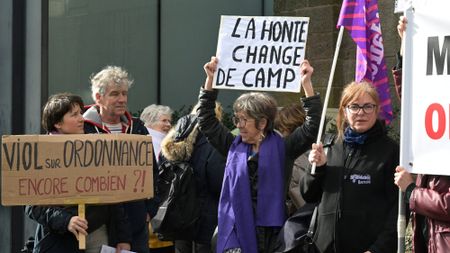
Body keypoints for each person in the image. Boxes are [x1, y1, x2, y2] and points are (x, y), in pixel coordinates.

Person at [197, 56, 321, 253]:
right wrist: (210, 80)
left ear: (262, 123)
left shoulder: (284, 148)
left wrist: (306, 84)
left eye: (244, 120)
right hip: (236, 235)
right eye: (237, 119)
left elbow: (312, 125)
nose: (238, 126)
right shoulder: (232, 146)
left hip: (272, 236)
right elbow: (206, 121)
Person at [25, 93, 131, 253]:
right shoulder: (41, 154)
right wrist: (66, 220)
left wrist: (123, 238)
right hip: (58, 240)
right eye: (74, 114)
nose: (81, 118)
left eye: (80, 113)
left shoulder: (98, 148)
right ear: (57, 123)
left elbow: (113, 194)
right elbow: (32, 205)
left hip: (97, 234)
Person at [303, 81, 399, 253]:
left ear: (376, 110)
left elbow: (397, 208)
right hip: (323, 247)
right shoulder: (328, 145)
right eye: (354, 106)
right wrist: (317, 169)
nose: (361, 113)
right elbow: (308, 195)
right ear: (344, 111)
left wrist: (378, 249)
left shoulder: (390, 151)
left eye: (368, 106)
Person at [83, 66, 158, 253]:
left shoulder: (138, 127)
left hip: (136, 222)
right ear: (98, 97)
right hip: (99, 224)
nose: (122, 99)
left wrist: (149, 209)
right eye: (115, 94)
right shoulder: (83, 129)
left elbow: (153, 171)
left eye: (124, 93)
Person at [393, 16, 450, 253]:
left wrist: (410, 191)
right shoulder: (433, 129)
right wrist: (407, 47)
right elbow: (414, 101)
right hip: (429, 239)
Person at [160, 102, 226, 253]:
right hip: (206, 218)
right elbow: (219, 184)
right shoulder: (213, 143)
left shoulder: (173, 140)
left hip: (179, 216)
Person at [274, 103, 310, 214]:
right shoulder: (322, 150)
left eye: (283, 130)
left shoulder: (291, 158)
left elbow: (302, 201)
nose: (282, 135)